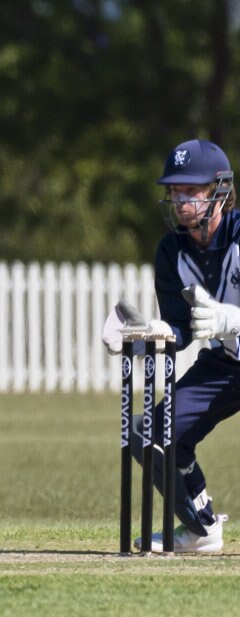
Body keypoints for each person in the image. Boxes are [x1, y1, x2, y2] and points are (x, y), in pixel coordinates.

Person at [102, 139, 235, 552]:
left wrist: (229, 318)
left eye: (190, 191)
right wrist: (146, 335)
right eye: (175, 192)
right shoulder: (171, 251)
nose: (180, 201)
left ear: (219, 190)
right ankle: (201, 529)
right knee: (154, 434)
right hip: (226, 364)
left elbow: (220, 319)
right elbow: (180, 329)